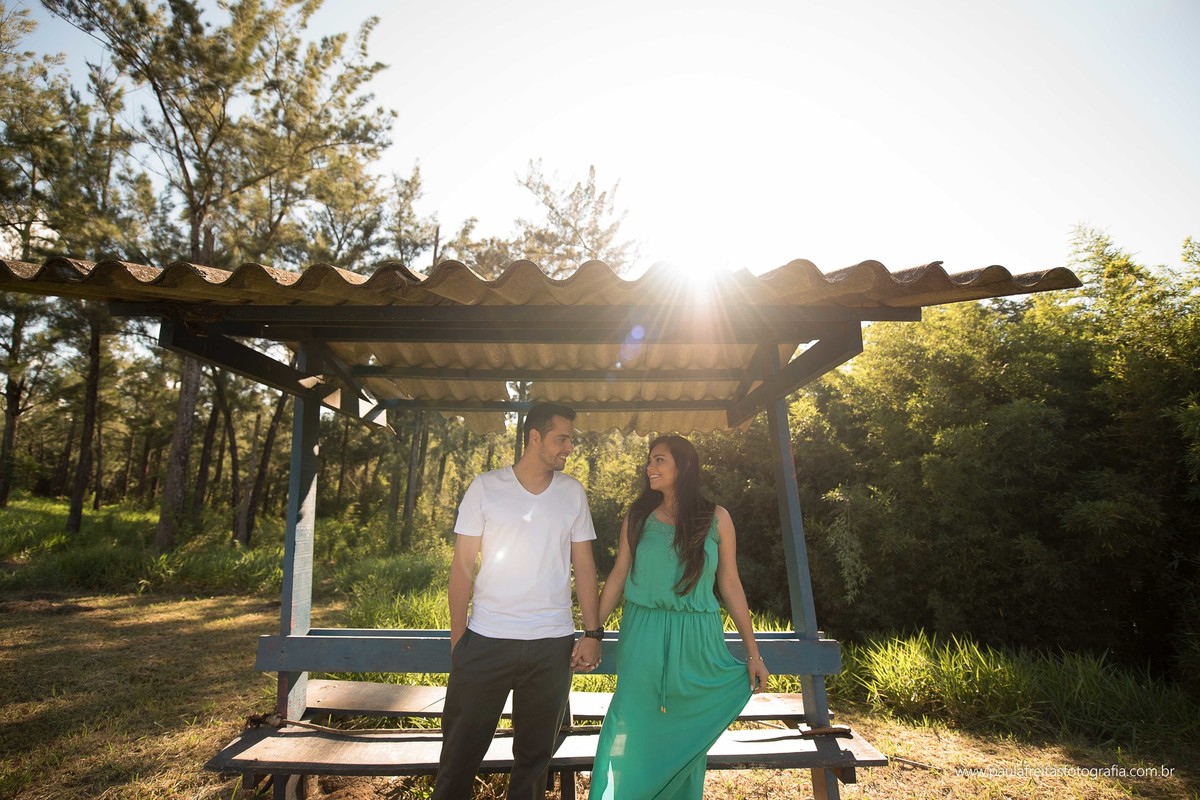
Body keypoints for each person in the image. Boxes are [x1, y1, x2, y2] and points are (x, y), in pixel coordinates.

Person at [433, 402, 603, 800]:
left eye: (571, 440)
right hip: (486, 642)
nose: (569, 448)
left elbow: (586, 567)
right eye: (562, 439)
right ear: (535, 437)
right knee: (458, 759)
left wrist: (592, 633)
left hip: (551, 646)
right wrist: (460, 641)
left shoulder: (572, 493)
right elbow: (461, 569)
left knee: (533, 764)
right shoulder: (486, 486)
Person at [588, 435, 770, 800]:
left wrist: (753, 653)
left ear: (683, 466)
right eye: (649, 460)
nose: (649, 467)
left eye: (659, 460)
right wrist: (592, 631)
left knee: (684, 736)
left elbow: (730, 584)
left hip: (698, 640)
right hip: (643, 635)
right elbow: (619, 575)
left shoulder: (717, 518)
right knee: (633, 725)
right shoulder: (638, 515)